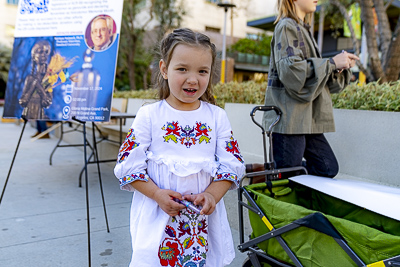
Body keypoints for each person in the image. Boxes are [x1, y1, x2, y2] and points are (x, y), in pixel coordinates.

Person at [114, 28, 245, 267]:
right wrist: (157, 194)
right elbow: (128, 167)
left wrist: (211, 195)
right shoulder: (149, 115)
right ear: (164, 69)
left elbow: (232, 165)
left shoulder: (217, 117)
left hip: (203, 222)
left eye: (202, 71)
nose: (193, 79)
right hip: (158, 217)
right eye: (182, 69)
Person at [263, 0, 359, 178]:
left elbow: (311, 76)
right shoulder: (286, 26)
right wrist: (331, 63)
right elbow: (292, 72)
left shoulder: (302, 28)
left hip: (306, 118)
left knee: (327, 167)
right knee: (288, 176)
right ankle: (272, 173)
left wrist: (337, 66)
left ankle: (273, 170)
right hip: (290, 119)